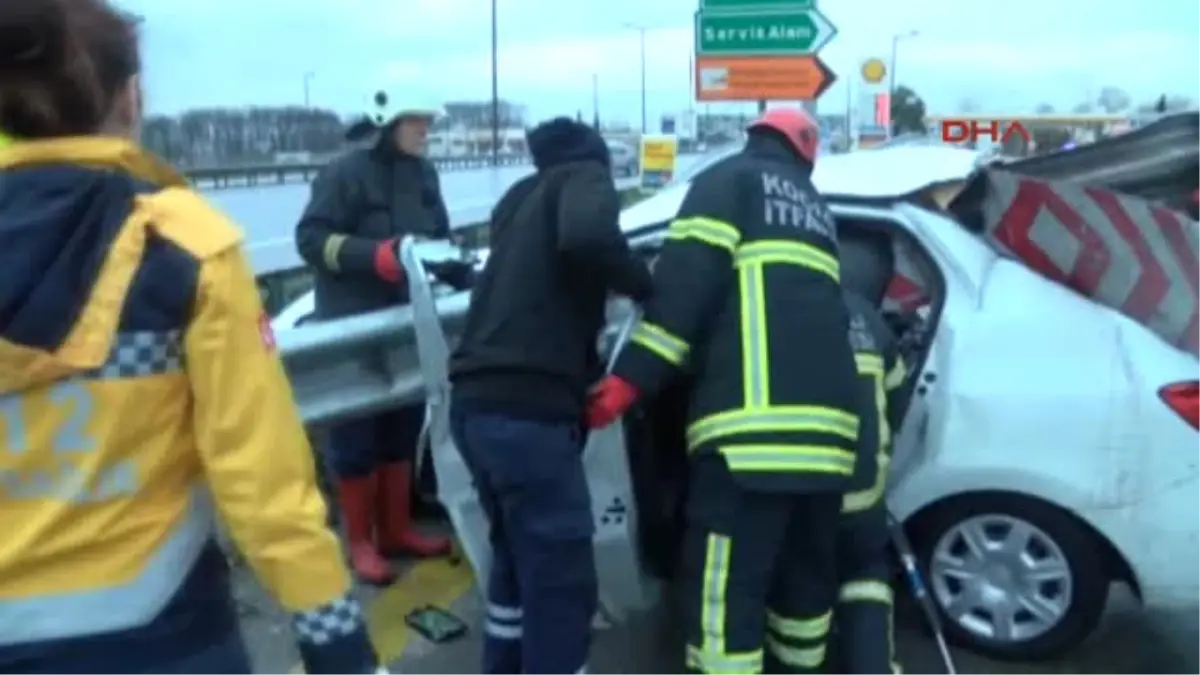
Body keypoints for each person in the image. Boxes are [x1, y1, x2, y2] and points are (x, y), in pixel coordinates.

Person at [0, 1, 379, 674]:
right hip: (161, 638)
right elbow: (263, 482)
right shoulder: (180, 242)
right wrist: (338, 643)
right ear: (131, 95)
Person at [587, 107, 862, 674]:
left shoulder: (726, 182)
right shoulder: (819, 214)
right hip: (830, 448)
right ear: (805, 154)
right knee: (804, 596)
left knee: (723, 603)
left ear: (754, 137)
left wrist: (629, 379)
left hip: (749, 445)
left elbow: (685, 289)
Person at [449, 116, 653, 675]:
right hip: (529, 413)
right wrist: (644, 283)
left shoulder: (518, 199)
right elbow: (588, 238)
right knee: (563, 584)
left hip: (474, 405)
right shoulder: (584, 176)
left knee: (516, 563)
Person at [295, 88, 461, 584]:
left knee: (402, 427)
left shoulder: (424, 174)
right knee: (356, 437)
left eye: (429, 123)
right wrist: (373, 257)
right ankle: (361, 542)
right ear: (389, 122)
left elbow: (439, 236)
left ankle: (396, 531)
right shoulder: (343, 174)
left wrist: (457, 269)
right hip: (352, 328)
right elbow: (311, 240)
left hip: (406, 322)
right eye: (418, 123)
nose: (426, 132)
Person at [835, 228, 908, 675]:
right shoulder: (869, 319)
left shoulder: (779, 311)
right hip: (863, 494)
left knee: (799, 587)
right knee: (865, 579)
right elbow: (897, 399)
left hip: (801, 495)